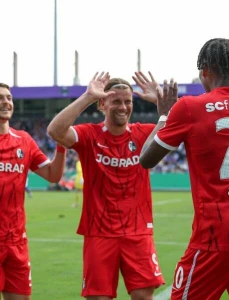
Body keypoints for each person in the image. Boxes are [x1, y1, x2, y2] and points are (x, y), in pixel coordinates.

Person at [139, 38, 229, 300]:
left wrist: (164, 115)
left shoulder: (189, 107)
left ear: (205, 71)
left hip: (218, 235)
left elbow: (146, 159)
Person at [47, 72, 165, 300]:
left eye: (128, 101)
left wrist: (160, 100)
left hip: (137, 231)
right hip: (98, 232)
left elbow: (185, 124)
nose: (123, 107)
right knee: (98, 298)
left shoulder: (144, 134)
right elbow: (54, 131)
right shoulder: (89, 135)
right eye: (116, 101)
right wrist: (87, 97)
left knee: (143, 296)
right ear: (103, 103)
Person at [0, 83, 66, 300]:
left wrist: (61, 145)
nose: (6, 102)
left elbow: (53, 175)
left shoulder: (24, 140)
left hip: (17, 242)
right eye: (0, 98)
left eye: (8, 98)